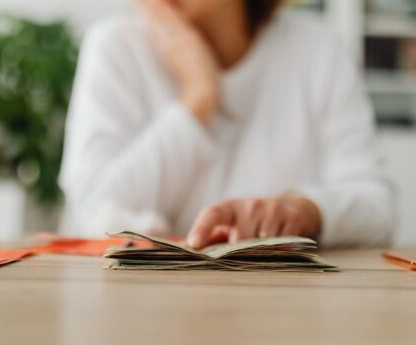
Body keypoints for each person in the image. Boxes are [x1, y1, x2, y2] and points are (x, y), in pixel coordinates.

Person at [59, 0, 395, 249]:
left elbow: (377, 208)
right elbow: (90, 206)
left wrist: (303, 211)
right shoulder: (115, 46)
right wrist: (199, 97)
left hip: (284, 309)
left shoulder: (319, 49)